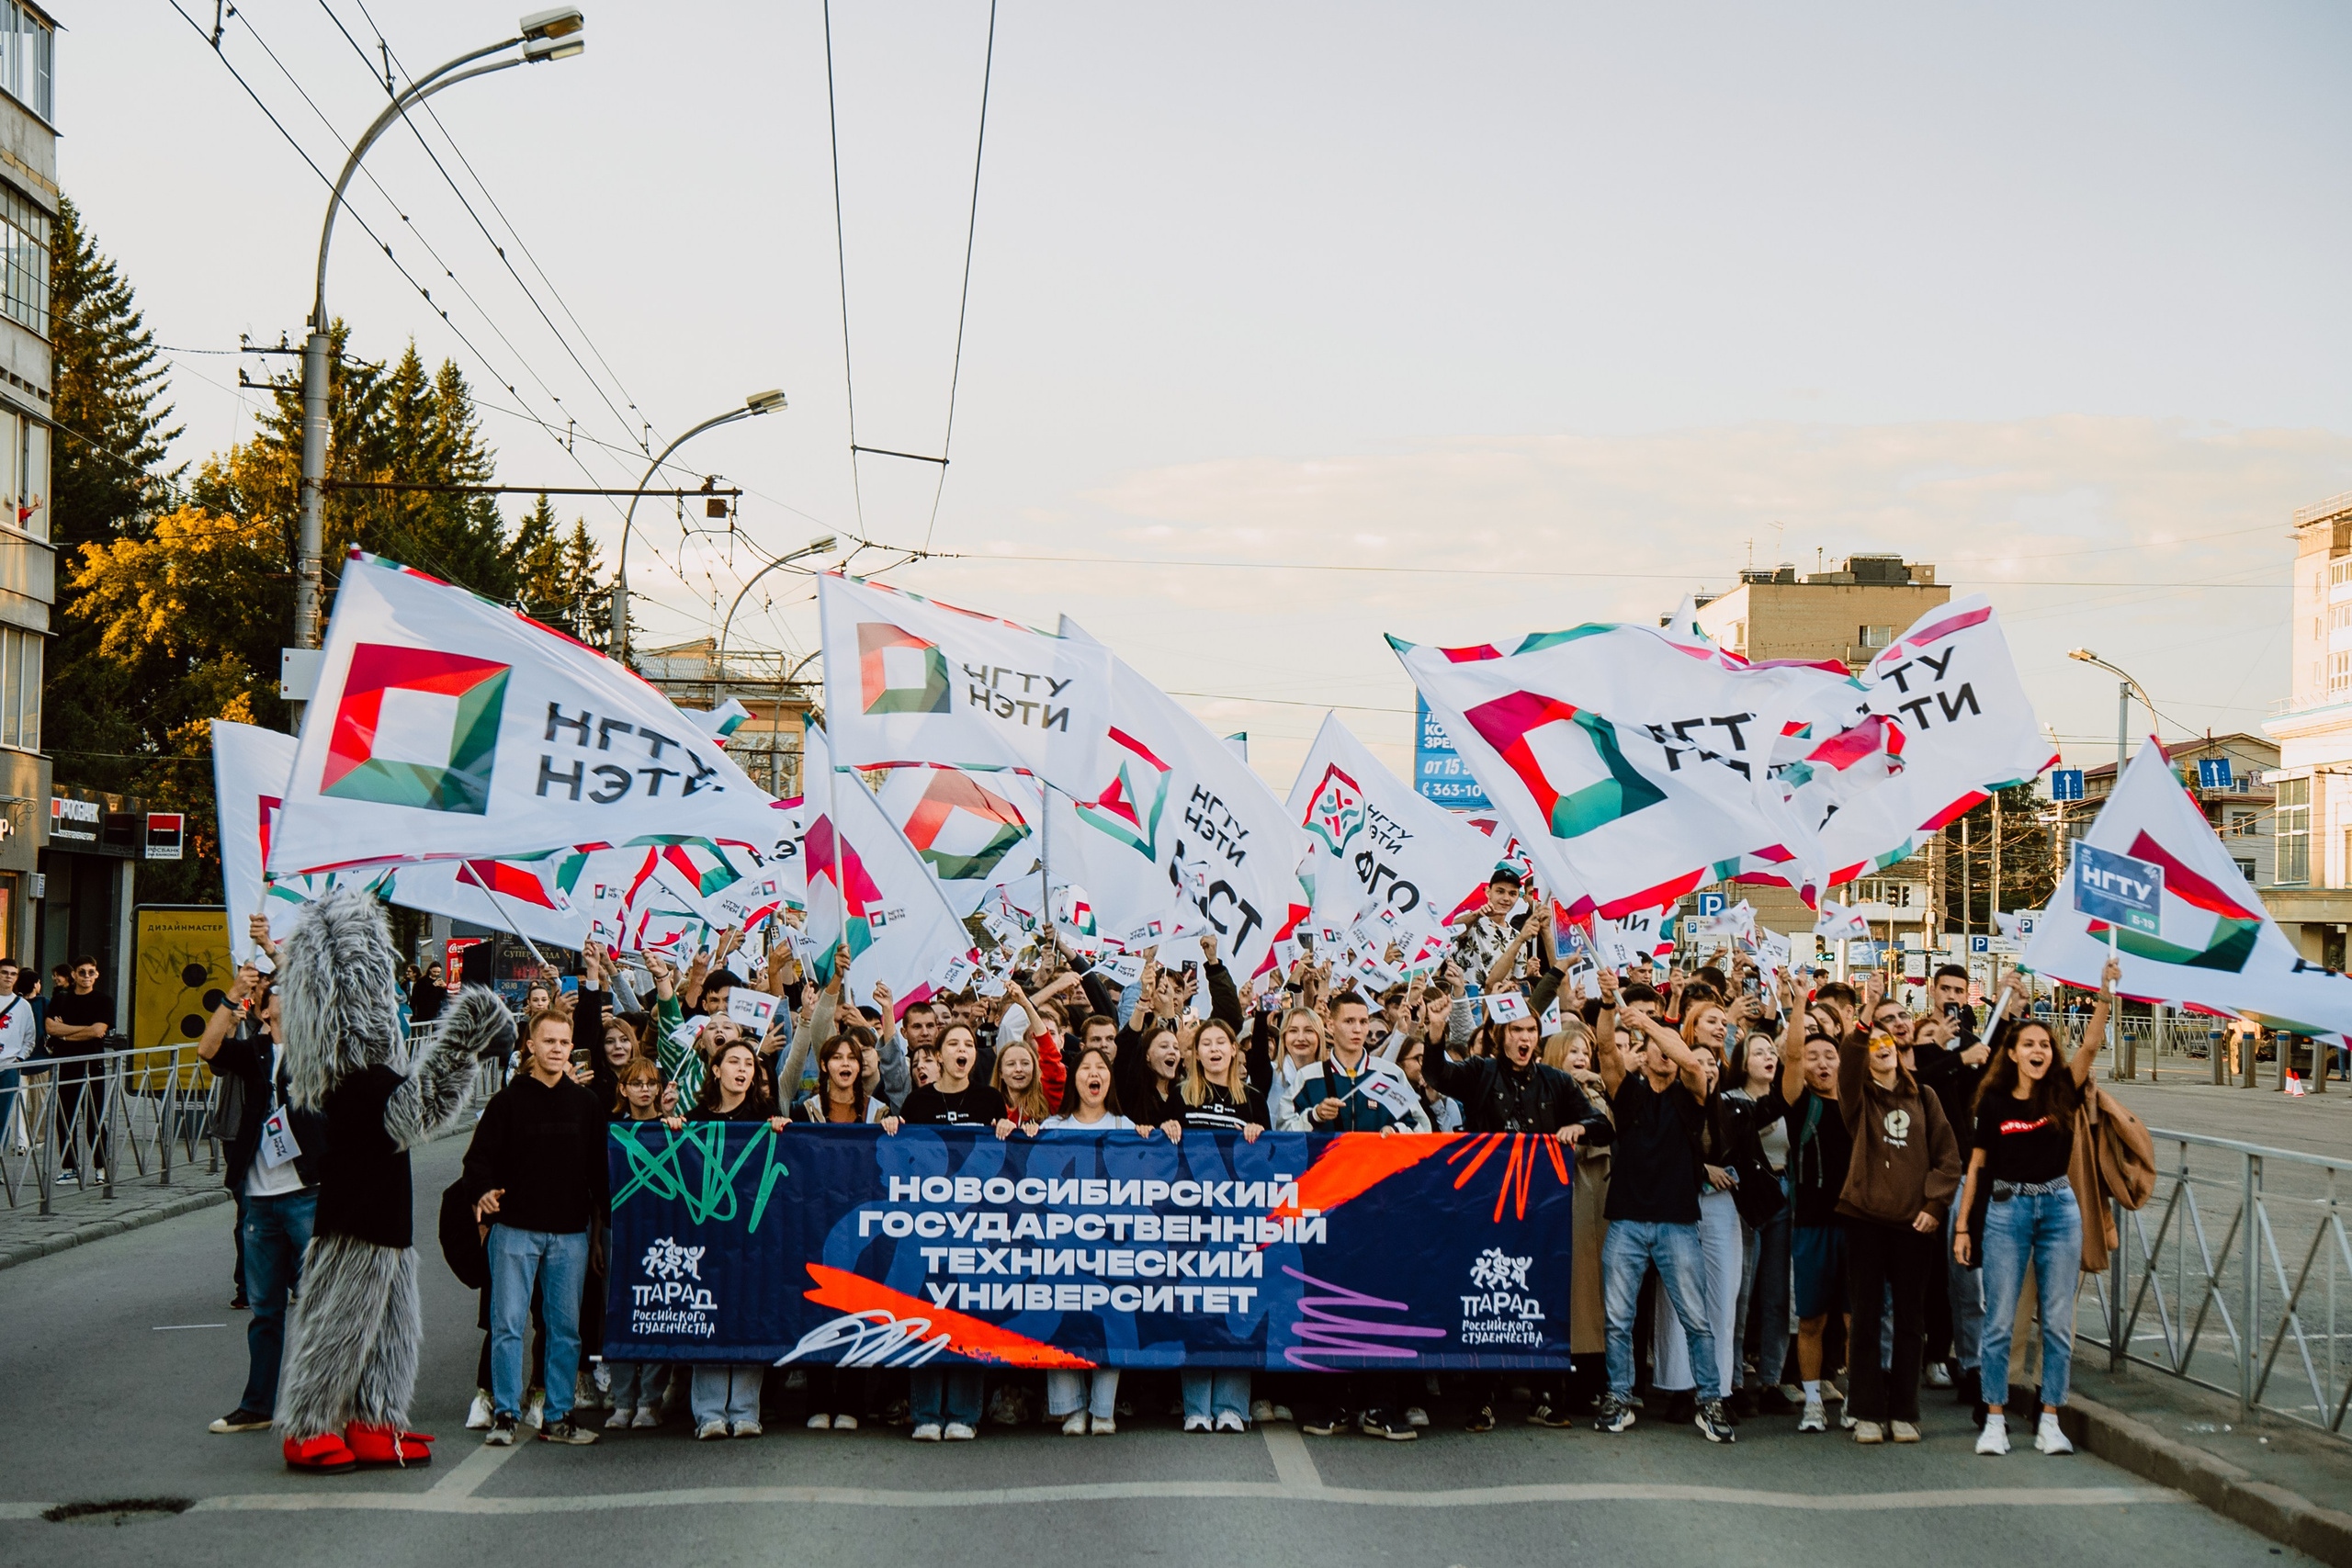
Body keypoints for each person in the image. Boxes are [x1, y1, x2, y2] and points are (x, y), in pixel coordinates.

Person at [1420, 995, 1612, 1431]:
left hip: (1541, 1215)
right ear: (1501, 1036)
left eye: (1530, 1030)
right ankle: (1482, 1399)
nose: (1524, 1038)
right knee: (1488, 1299)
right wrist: (1435, 1033)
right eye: (1516, 1031)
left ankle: (1545, 1396)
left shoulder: (1557, 1081)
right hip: (1487, 1208)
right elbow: (1438, 1074)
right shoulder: (1480, 1073)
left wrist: (1579, 1126)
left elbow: (1603, 1126)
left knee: (1541, 1296)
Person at [1956, 958, 2114, 1458]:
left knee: (2059, 1321)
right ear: (2014, 1053)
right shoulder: (1996, 1102)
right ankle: (1996, 1420)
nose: (2039, 1052)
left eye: (2045, 1045)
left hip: (2059, 1210)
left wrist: (2106, 992)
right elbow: (1977, 1170)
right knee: (2000, 1319)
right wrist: (1964, 1229)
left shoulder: (2062, 1091)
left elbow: (2090, 1045)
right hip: (2006, 1210)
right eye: (2030, 1045)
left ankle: (2051, 1419)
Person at [1285, 991, 1433, 1441]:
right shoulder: (1309, 1077)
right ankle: (1333, 1404)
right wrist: (1313, 1115)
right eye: (1347, 1021)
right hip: (1326, 1209)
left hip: (1381, 1211)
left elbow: (1424, 1126)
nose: (1356, 1029)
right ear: (1330, 1027)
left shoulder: (1387, 1074)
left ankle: (1381, 1406)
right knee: (1330, 1305)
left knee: (1380, 1305)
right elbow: (1280, 1132)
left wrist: (1398, 1131)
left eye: (1361, 1022)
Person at [463, 1009, 609, 1449]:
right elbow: (477, 1159)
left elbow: (599, 1174)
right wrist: (483, 1192)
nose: (557, 1049)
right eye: (549, 1042)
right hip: (514, 1231)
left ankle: (559, 1416)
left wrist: (601, 1232)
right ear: (530, 1045)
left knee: (565, 1330)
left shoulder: (587, 1104)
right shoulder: (506, 1102)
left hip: (570, 1234)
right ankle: (505, 1415)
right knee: (506, 1324)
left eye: (564, 1043)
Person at [1595, 1004, 1736, 1443]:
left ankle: (1710, 1402)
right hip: (1627, 1222)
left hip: (1677, 1223)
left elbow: (1693, 1062)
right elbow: (1603, 1048)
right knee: (1618, 1320)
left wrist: (1651, 1025)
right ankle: (1619, 1397)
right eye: (1654, 1048)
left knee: (1697, 1319)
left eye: (1668, 1048)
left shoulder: (1691, 1094)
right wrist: (1606, 1007)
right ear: (1643, 1053)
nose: (1664, 1055)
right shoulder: (1629, 1092)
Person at [1833, 974, 1962, 1446]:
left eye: (1891, 1040)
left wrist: (1933, 1205)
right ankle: (1866, 1409)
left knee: (1911, 1320)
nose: (1883, 1046)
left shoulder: (1924, 1098)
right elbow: (1848, 1057)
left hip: (1914, 1224)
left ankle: (1904, 1410)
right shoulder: (1857, 1097)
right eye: (1875, 1042)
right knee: (1866, 1318)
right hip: (1865, 1221)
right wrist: (1866, 1013)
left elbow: (1948, 1159)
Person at [197, 966, 327, 1437]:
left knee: (322, 1304)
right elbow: (207, 1049)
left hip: (307, 1194)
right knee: (264, 1309)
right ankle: (258, 1405)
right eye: (281, 994)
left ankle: (325, 1402)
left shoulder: (319, 1053)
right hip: (259, 1197)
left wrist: (279, 952)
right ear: (266, 1006)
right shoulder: (254, 1051)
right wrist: (233, 995)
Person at [666, 1036, 789, 1438]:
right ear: (715, 1070)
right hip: (709, 1234)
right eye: (733, 1062)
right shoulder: (696, 1116)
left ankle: (745, 1410)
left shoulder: (766, 1115)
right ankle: (709, 1413)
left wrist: (782, 1130)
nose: (742, 1070)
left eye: (749, 1065)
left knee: (749, 1313)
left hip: (754, 1236)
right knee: (710, 1314)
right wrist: (669, 1127)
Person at [896, 1021, 1011, 1441]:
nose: (962, 1050)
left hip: (975, 1226)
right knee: (925, 1312)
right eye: (953, 1044)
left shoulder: (989, 1099)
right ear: (938, 1056)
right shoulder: (918, 1102)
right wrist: (894, 1129)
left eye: (969, 1045)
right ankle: (926, 1412)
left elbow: (1006, 1160)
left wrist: (1008, 1131)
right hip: (926, 1226)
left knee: (967, 1314)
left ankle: (964, 1412)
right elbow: (901, 1161)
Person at [1173, 1018, 1267, 1433]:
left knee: (1237, 1308)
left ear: (1234, 1051)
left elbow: (1272, 1158)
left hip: (1239, 1221)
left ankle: (1232, 1405)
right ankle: (1196, 1406)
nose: (1213, 1049)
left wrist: (1261, 1134)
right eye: (1205, 1043)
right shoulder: (1180, 1097)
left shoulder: (1253, 1099)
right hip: (1192, 1221)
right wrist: (1165, 1128)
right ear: (1196, 1054)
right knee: (1197, 1311)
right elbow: (1160, 1152)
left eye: (1220, 1042)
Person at [1727, 1028, 1793, 1413]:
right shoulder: (1729, 1100)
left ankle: (1771, 1380)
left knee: (1777, 1295)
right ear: (1742, 1062)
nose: (1769, 1057)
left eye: (1772, 1051)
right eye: (1758, 1052)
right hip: (1744, 1200)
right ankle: (1734, 1380)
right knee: (1741, 1293)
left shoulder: (1786, 1098)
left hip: (1782, 1196)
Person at [603, 1055, 671, 1429]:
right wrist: (598, 1238)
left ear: (659, 1089)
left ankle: (650, 1400)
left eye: (650, 1083)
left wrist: (677, 1126)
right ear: (623, 1089)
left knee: (659, 1310)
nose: (644, 1089)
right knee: (621, 1312)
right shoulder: (611, 1130)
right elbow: (600, 1188)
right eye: (636, 1083)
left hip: (661, 1233)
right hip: (617, 1232)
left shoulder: (673, 1128)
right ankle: (623, 1400)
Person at [42, 954, 114, 1182]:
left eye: (90, 972)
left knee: (94, 1117)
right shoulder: (61, 999)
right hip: (65, 1064)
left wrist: (67, 1033)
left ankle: (101, 1167)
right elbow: (51, 1028)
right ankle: (69, 1167)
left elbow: (97, 1031)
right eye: (81, 972)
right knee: (65, 1116)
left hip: (93, 1063)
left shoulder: (103, 1000)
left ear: (97, 974)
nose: (86, 976)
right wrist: (79, 1031)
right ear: (73, 974)